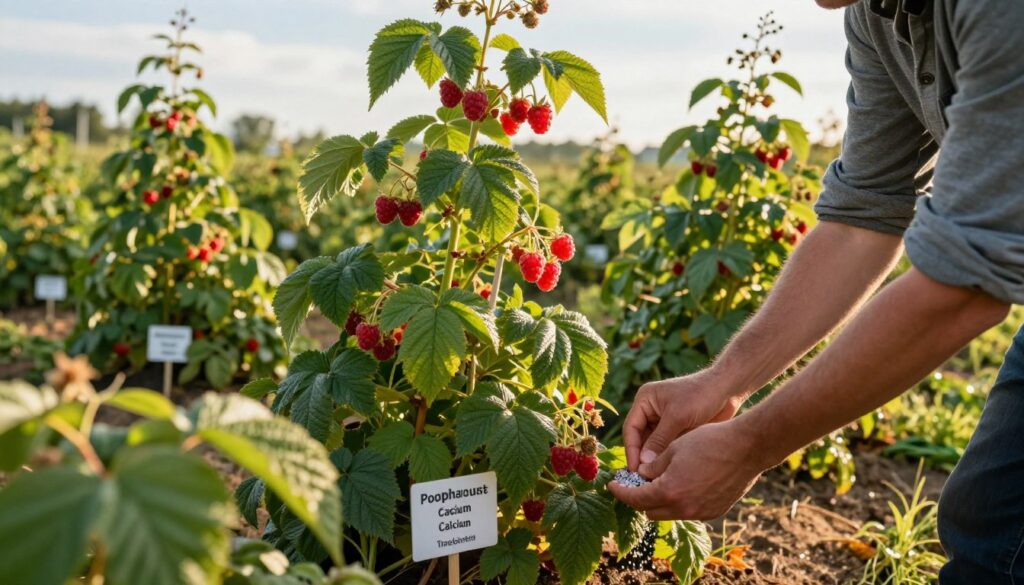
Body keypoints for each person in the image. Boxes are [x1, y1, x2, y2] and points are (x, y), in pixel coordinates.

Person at [608, 0, 1024, 582]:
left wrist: (750, 445)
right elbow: (861, 222)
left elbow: (966, 285)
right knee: (993, 525)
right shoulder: (877, 16)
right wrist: (721, 382)